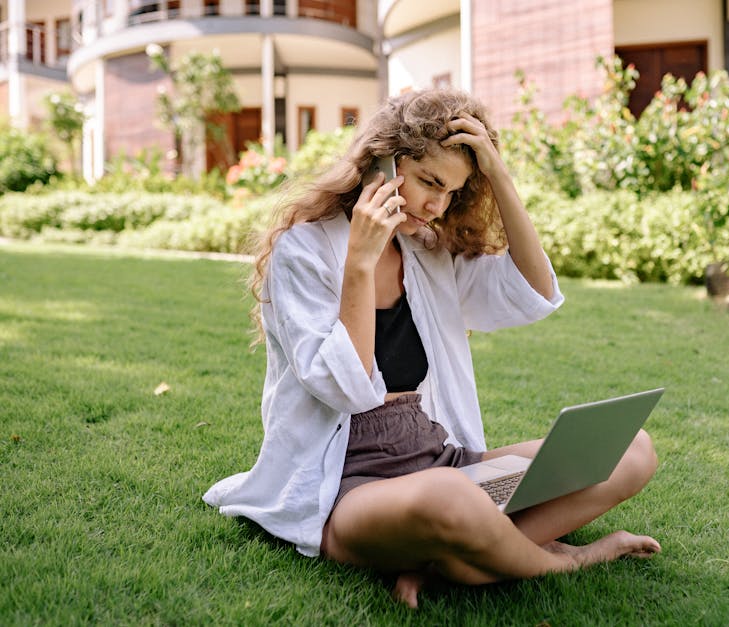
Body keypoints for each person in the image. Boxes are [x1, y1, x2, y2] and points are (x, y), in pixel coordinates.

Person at [203, 88, 660, 608]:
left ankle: (448, 564)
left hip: (441, 460)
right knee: (453, 498)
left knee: (630, 448)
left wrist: (499, 176)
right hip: (347, 487)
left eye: (453, 191)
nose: (437, 205)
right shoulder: (303, 250)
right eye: (429, 182)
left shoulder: (425, 252)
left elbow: (532, 291)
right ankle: (564, 559)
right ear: (381, 160)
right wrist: (359, 262)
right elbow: (342, 387)